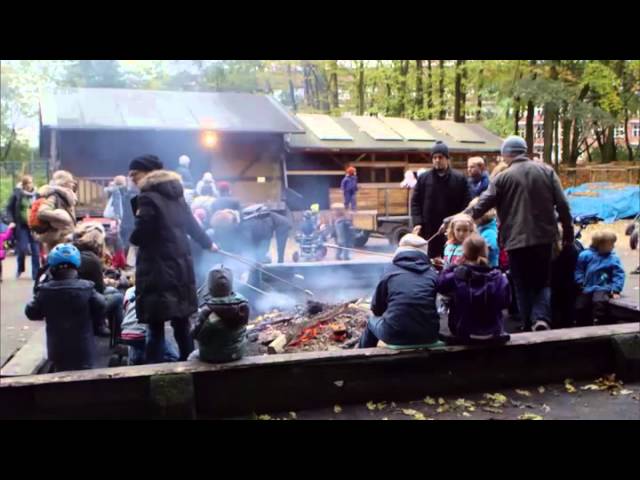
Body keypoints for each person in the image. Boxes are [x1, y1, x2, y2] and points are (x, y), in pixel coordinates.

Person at [465, 135, 573, 332]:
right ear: (524, 151)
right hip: (544, 238)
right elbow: (563, 205)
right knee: (542, 282)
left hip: (515, 240)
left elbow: (479, 208)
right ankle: (540, 319)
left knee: (521, 284)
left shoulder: (502, 178)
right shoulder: (546, 171)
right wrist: (568, 232)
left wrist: (454, 219)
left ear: (506, 154)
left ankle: (526, 323)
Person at [128, 154, 218, 364]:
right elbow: (191, 224)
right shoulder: (176, 195)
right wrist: (208, 243)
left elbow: (142, 233)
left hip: (157, 267)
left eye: (135, 174)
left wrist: (132, 238)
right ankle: (189, 365)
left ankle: (153, 370)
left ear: (149, 173)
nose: (131, 178)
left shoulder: (148, 198)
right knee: (181, 323)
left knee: (155, 324)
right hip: (179, 264)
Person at [25, 243, 105, 372]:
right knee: (85, 383)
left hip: (57, 350)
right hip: (83, 349)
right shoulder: (87, 287)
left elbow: (31, 312)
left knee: (60, 383)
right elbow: (101, 305)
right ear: (76, 265)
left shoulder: (44, 290)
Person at [358, 233, 440, 348]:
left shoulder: (389, 271)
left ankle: (362, 356)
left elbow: (377, 308)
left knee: (372, 321)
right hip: (429, 334)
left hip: (395, 335)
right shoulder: (432, 274)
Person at [437, 235, 511, 344]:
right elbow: (506, 302)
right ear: (486, 252)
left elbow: (440, 285)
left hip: (463, 333)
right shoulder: (499, 277)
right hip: (493, 333)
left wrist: (453, 266)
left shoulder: (456, 276)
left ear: (464, 254)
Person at [411, 141, 471, 259]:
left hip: (453, 230)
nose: (437, 160)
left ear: (447, 158)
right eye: (434, 157)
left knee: (451, 261)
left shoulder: (459, 178)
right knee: (428, 262)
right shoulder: (424, 178)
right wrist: (417, 222)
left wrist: (458, 222)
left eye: (440, 157)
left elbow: (467, 203)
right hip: (428, 230)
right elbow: (415, 202)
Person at [189, 265, 250, 363]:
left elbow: (196, 335)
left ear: (210, 288)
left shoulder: (207, 310)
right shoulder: (243, 306)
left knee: (192, 357)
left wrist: (193, 323)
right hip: (237, 353)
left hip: (212, 356)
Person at [73, 221, 124, 338]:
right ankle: (116, 336)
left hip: (74, 297)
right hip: (86, 302)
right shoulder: (92, 260)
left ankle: (103, 326)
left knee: (113, 291)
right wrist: (112, 282)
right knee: (118, 296)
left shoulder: (74, 251)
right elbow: (99, 289)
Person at [575, 231, 625, 326]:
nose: (613, 246)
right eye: (611, 244)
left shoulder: (613, 258)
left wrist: (616, 290)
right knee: (580, 305)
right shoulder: (585, 255)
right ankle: (582, 324)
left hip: (603, 286)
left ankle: (599, 322)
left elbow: (618, 274)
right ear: (600, 244)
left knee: (599, 302)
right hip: (587, 287)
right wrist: (580, 281)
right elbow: (579, 270)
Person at [119, 286, 179, 365]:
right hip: (142, 332)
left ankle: (132, 360)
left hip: (126, 332)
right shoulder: (157, 291)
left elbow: (125, 308)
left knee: (137, 345)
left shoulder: (129, 291)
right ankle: (143, 362)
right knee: (174, 356)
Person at [32, 170, 78, 253]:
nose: (73, 184)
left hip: (66, 238)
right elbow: (42, 212)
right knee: (56, 263)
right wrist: (63, 218)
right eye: (71, 181)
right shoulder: (54, 196)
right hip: (57, 239)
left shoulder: (67, 196)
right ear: (65, 183)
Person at [6, 175, 40, 280]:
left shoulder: (37, 195)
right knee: (22, 249)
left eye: (31, 182)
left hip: (35, 226)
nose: (30, 185)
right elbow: (9, 208)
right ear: (24, 185)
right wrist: (11, 221)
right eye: (28, 183)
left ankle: (36, 274)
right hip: (22, 225)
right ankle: (20, 268)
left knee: (36, 250)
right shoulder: (17, 194)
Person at [550, 225, 579, 329]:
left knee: (554, 305)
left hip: (552, 282)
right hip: (568, 283)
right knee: (568, 305)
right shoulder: (572, 248)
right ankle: (568, 323)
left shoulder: (547, 249)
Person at [467, 197, 499, 268]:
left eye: (473, 212)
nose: (471, 215)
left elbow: (490, 253)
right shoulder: (479, 229)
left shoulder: (489, 233)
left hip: (488, 270)